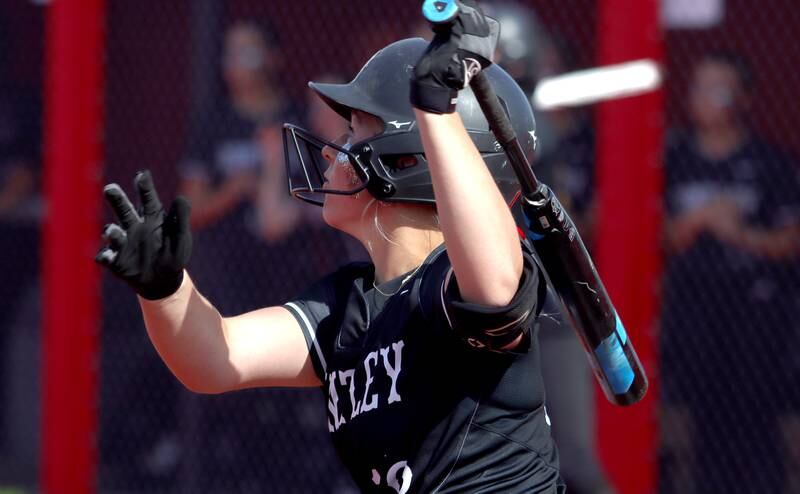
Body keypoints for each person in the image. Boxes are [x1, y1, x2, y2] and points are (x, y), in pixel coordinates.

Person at [96, 4, 565, 493]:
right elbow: (215, 357)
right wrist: (164, 289)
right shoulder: (348, 306)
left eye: (353, 129)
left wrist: (434, 108)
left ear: (406, 161)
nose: (329, 148)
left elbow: (492, 286)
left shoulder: (459, 278)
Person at [659, 52, 800, 494]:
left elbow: (790, 241)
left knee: (758, 426)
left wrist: (738, 233)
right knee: (695, 428)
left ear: (744, 97)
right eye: (698, 86)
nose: (705, 98)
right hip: (692, 313)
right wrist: (699, 219)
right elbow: (651, 238)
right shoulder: (672, 158)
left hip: (757, 315)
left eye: (719, 88)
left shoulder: (771, 162)